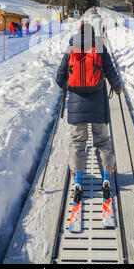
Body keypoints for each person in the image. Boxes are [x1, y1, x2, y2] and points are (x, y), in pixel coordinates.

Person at [56, 22, 123, 198]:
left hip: (76, 105)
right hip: (98, 104)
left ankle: (78, 180)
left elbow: (59, 77)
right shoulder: (100, 46)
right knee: (102, 140)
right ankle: (106, 176)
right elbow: (110, 71)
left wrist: (69, 86)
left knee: (78, 142)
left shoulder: (72, 47)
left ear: (79, 34)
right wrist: (117, 88)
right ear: (94, 34)